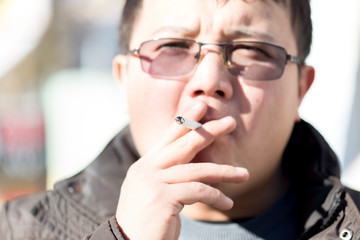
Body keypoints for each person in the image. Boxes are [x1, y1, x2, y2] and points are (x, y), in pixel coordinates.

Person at [1, 0, 360, 239]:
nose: (209, 82)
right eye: (172, 47)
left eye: (252, 50)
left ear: (301, 88)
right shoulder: (19, 229)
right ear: (123, 80)